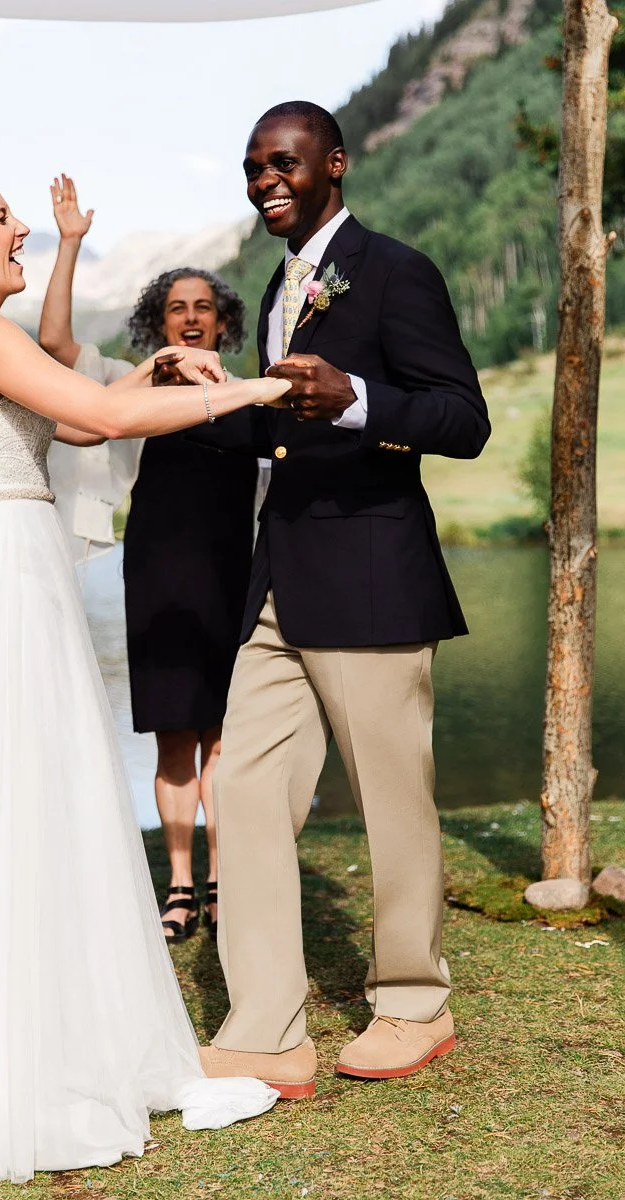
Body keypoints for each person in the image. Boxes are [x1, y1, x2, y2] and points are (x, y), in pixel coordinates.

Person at [0, 169, 290, 1182]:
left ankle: (6, 1012)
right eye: (0, 218)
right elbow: (106, 424)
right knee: (1, 786)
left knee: (14, 790)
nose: (19, 226)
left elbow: (75, 420)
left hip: (2, 570)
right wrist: (253, 388)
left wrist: (154, 368)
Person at [188, 102, 491, 1098]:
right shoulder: (278, 282)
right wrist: (209, 394)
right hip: (277, 584)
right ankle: (266, 1022)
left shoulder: (395, 269)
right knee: (242, 791)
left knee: (389, 802)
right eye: (250, 167)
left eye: (280, 162)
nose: (263, 179)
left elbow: (461, 418)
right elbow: (282, 436)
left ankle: (412, 1003)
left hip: (370, 579)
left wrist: (357, 397)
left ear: (333, 164)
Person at [40, 176, 261, 944]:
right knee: (174, 735)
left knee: (228, 739)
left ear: (224, 323)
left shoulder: (248, 394)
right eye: (178, 307)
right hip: (160, 574)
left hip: (236, 573)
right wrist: (68, 243)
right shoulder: (122, 383)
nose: (192, 317)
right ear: (158, 323)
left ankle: (229, 881)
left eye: (204, 306)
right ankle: (179, 886)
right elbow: (54, 347)